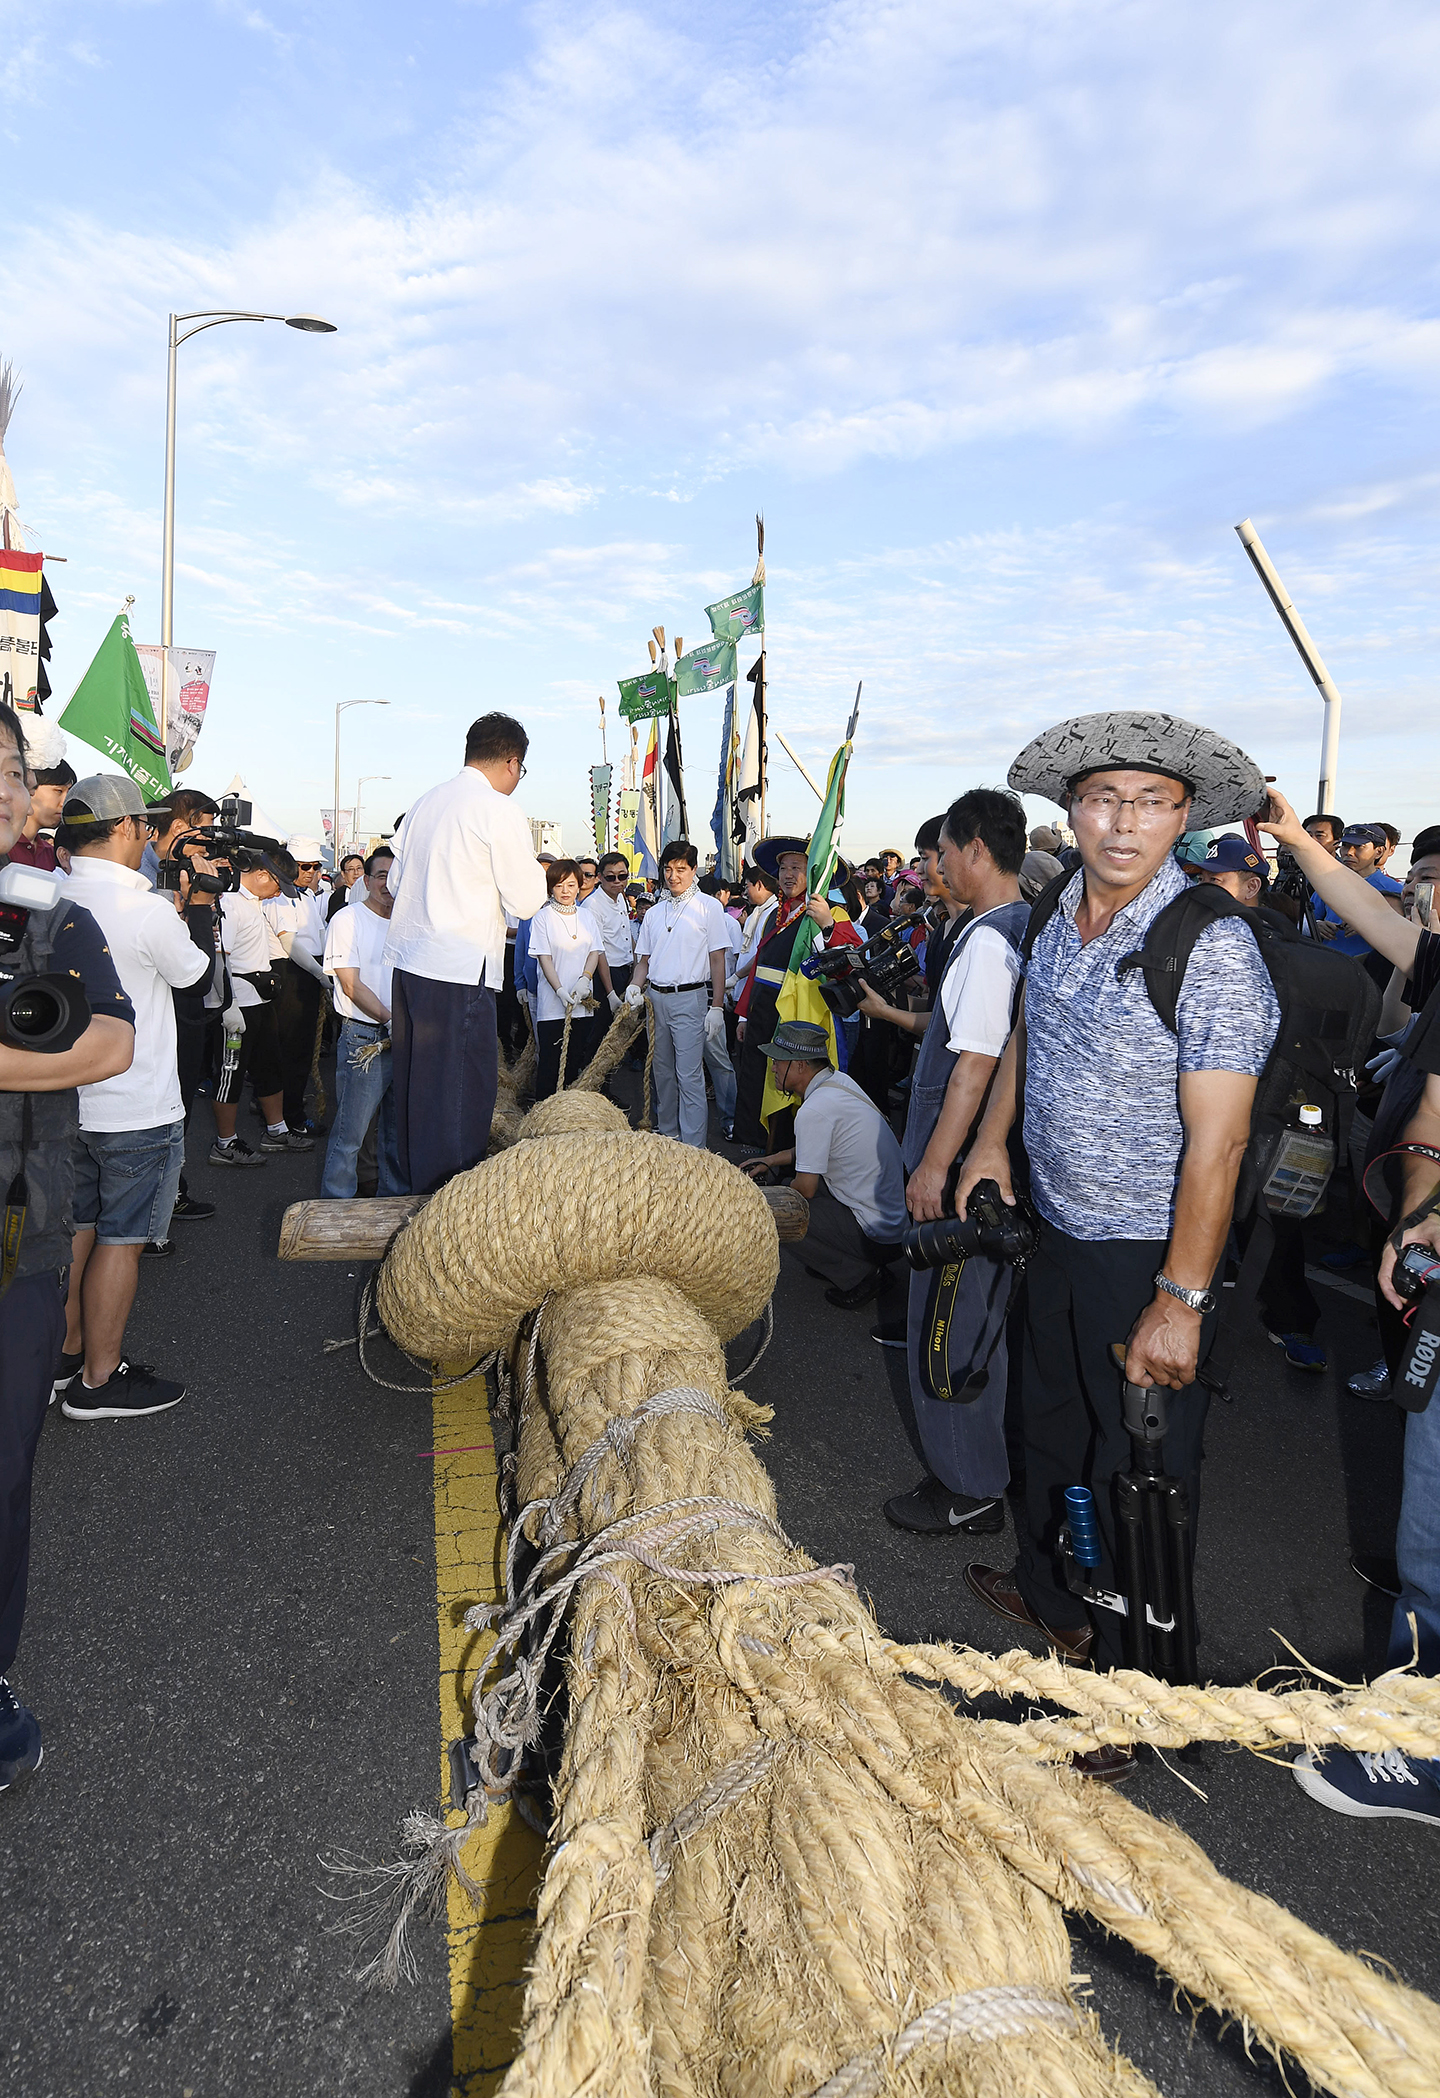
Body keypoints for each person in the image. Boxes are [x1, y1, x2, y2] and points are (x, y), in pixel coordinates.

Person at [958, 710, 1279, 1730]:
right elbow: (1028, 1037)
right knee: (1051, 1435)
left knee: (1138, 1474)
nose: (1125, 821)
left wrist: (1179, 1300)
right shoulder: (1058, 910)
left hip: (1147, 1255)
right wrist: (990, 1144)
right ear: (1073, 811)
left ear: (1182, 817)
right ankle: (1061, 1605)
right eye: (1105, 797)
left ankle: (1141, 1696)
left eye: (1151, 801)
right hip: (1057, 1234)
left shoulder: (1211, 945)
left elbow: (1219, 1144)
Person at [0, 709, 138, 1791]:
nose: (5, 786)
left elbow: (110, 1036)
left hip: (19, 1238)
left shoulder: (47, 907)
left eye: (12, 769)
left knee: (5, 1472)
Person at [881, 788, 1030, 1536]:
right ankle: (982, 1470)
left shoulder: (986, 939)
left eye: (942, 852)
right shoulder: (1034, 924)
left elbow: (974, 1065)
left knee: (948, 1327)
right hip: (997, 1172)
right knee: (982, 1325)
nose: (935, 866)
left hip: (963, 1172)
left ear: (976, 849)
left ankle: (966, 1485)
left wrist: (935, 1166)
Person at [52, 775, 213, 1420]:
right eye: (143, 825)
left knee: (73, 1234)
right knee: (122, 1240)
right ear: (122, 829)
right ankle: (100, 1379)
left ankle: (64, 1356)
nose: (149, 834)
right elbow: (195, 977)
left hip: (63, 1101)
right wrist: (195, 902)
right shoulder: (146, 910)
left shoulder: (46, 897)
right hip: (134, 1105)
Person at [383, 714, 547, 1194]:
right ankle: (449, 1216)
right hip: (458, 967)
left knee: (418, 1095)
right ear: (513, 762)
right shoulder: (497, 809)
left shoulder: (425, 802)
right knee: (459, 1099)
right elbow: (527, 900)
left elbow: (394, 882)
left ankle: (417, 1199)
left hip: (411, 965)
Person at [1195, 833, 1328, 1371]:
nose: (1203, 892)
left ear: (1253, 886)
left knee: (1272, 1223)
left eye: (1217, 882)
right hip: (1198, 1111)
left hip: (1269, 1113)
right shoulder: (1188, 940)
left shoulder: (1283, 948)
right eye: (1199, 880)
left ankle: (1292, 1321)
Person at [743, 1021, 909, 1306]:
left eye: (778, 1061)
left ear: (800, 1065)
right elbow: (816, 1149)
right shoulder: (838, 1082)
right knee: (786, 1185)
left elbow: (805, 1189)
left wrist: (757, 1195)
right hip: (896, 1224)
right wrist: (770, 1160)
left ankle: (862, 1276)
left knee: (776, 1210)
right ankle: (836, 1259)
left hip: (877, 1237)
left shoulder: (815, 1110)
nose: (773, 1067)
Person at [732, 837, 860, 1150]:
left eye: (797, 868)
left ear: (815, 873)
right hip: (762, 1013)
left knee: (788, 1089)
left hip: (796, 1020)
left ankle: (784, 1161)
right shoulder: (774, 917)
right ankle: (753, 1149)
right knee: (753, 1079)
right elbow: (760, 966)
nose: (788, 874)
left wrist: (827, 925)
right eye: (783, 868)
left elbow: (850, 964)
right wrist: (745, 1014)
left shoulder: (830, 915)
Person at [626, 840, 731, 1148]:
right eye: (668, 869)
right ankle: (668, 1133)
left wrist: (717, 1006)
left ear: (694, 870)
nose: (673, 876)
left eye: (680, 869)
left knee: (689, 1075)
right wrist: (634, 985)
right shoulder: (655, 913)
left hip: (690, 998)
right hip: (655, 998)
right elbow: (643, 960)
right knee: (662, 1071)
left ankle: (693, 1146)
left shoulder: (709, 907)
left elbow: (717, 959)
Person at [321, 848, 405, 1199]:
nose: (388, 884)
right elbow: (351, 984)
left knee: (395, 1131)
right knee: (351, 1132)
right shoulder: (348, 919)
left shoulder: (407, 923)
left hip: (402, 1036)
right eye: (381, 875)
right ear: (366, 881)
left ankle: (390, 1204)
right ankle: (333, 1208)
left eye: (394, 875)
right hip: (365, 1038)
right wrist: (390, 1020)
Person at [207, 855, 297, 1166]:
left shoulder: (253, 903)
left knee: (269, 1066)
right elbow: (219, 958)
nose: (277, 892)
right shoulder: (230, 903)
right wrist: (228, 1005)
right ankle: (225, 1143)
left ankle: (277, 1130)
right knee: (230, 1074)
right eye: (276, 883)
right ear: (261, 874)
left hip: (259, 1001)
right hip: (237, 1006)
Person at [261, 836, 330, 1138]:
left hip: (308, 970)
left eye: (315, 866)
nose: (310, 872)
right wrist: (320, 974)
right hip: (291, 973)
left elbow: (319, 934)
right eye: (304, 866)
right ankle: (291, 1117)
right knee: (292, 1050)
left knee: (297, 1049)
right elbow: (290, 944)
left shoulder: (307, 898)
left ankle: (287, 1107)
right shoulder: (279, 898)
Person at [528, 859, 604, 1097]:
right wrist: (559, 989)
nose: (565, 891)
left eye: (571, 885)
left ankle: (568, 1114)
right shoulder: (543, 917)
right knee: (551, 1064)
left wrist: (585, 978)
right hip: (553, 1006)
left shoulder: (586, 916)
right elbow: (544, 958)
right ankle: (544, 1115)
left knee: (573, 1062)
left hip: (582, 1002)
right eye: (559, 885)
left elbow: (595, 951)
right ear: (551, 887)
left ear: (578, 885)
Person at [1310, 823, 1403, 977]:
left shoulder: (1395, 890)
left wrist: (1373, 927)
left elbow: (1405, 936)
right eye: (1345, 846)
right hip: (1325, 968)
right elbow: (1305, 921)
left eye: (1359, 847)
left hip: (1371, 974)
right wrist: (1316, 925)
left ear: (1379, 851)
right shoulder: (1326, 883)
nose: (1349, 853)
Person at [9, 718, 73, 871]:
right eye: (58, 791)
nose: (64, 802)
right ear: (28, 784)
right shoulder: (6, 845)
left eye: (69, 792)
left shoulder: (51, 854)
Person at [327, 853, 364, 921]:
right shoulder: (338, 896)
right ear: (343, 874)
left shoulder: (371, 892)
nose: (356, 872)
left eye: (359, 868)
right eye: (351, 869)